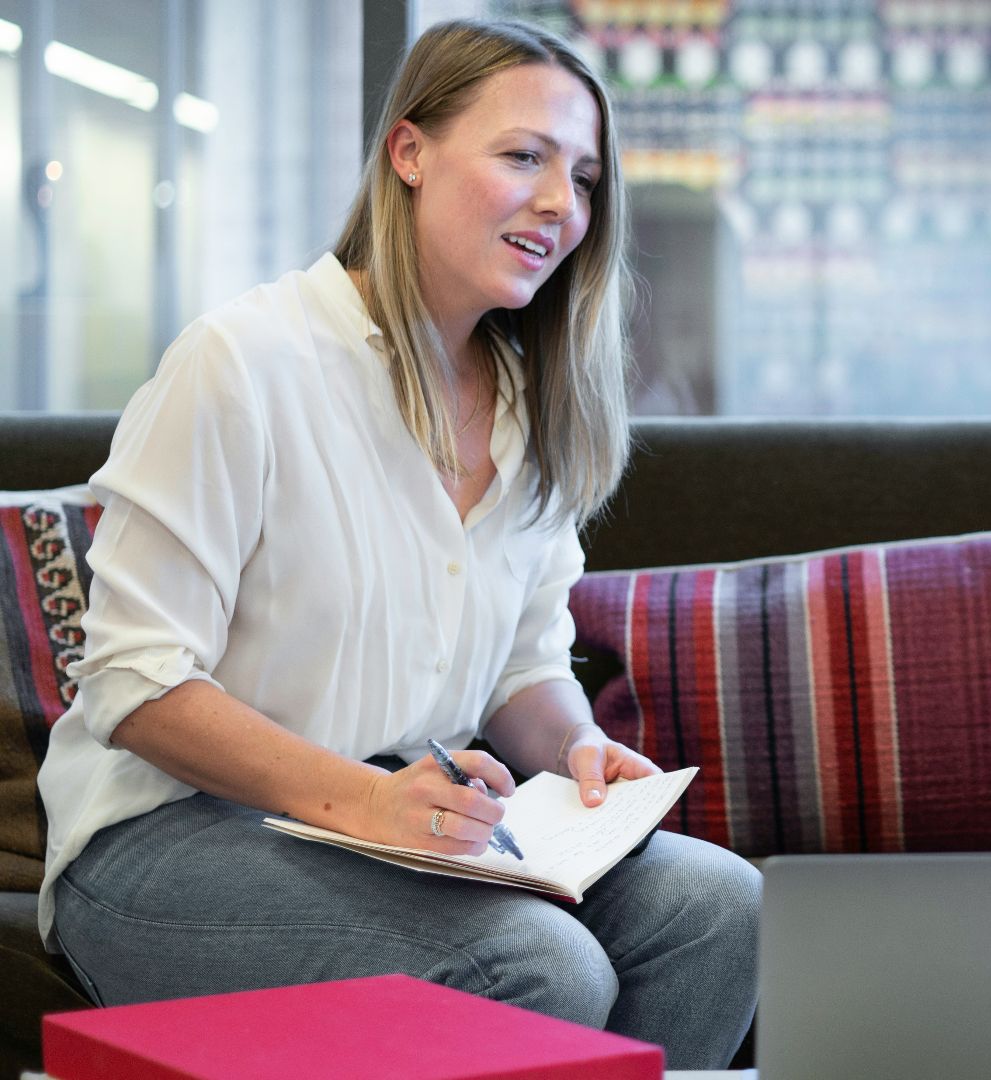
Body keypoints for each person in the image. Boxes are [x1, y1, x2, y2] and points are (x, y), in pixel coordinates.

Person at [35, 19, 759, 1069]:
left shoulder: (526, 401)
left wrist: (572, 749)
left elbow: (522, 665)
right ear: (409, 154)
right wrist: (373, 801)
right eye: (525, 157)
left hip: (405, 827)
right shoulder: (243, 364)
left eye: (587, 177)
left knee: (720, 906)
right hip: (172, 838)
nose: (565, 205)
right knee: (539, 964)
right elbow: (135, 684)